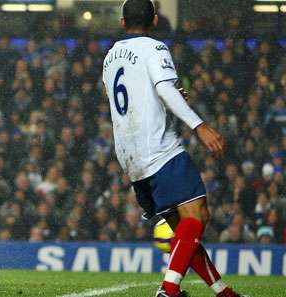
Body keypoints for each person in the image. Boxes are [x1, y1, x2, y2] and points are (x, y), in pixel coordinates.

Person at [101, 1, 247, 297]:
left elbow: (132, 96)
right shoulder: (155, 48)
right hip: (159, 149)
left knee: (184, 231)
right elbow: (164, 89)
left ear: (122, 22)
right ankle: (168, 289)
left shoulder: (109, 56)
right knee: (198, 215)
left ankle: (223, 293)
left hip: (130, 156)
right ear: (155, 20)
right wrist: (199, 125)